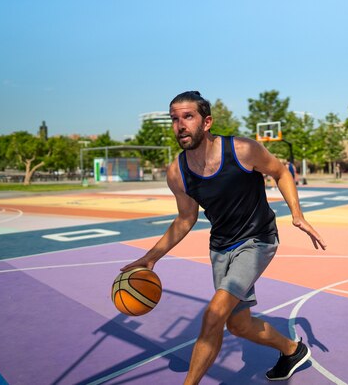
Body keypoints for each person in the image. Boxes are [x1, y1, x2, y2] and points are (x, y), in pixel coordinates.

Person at [121, 91, 327, 384]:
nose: (180, 125)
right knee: (238, 325)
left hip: (258, 239)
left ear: (206, 122)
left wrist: (297, 214)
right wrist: (150, 257)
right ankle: (293, 351)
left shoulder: (242, 150)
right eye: (174, 119)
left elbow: (280, 172)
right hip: (221, 248)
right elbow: (185, 218)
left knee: (213, 314)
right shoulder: (177, 173)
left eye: (188, 117)